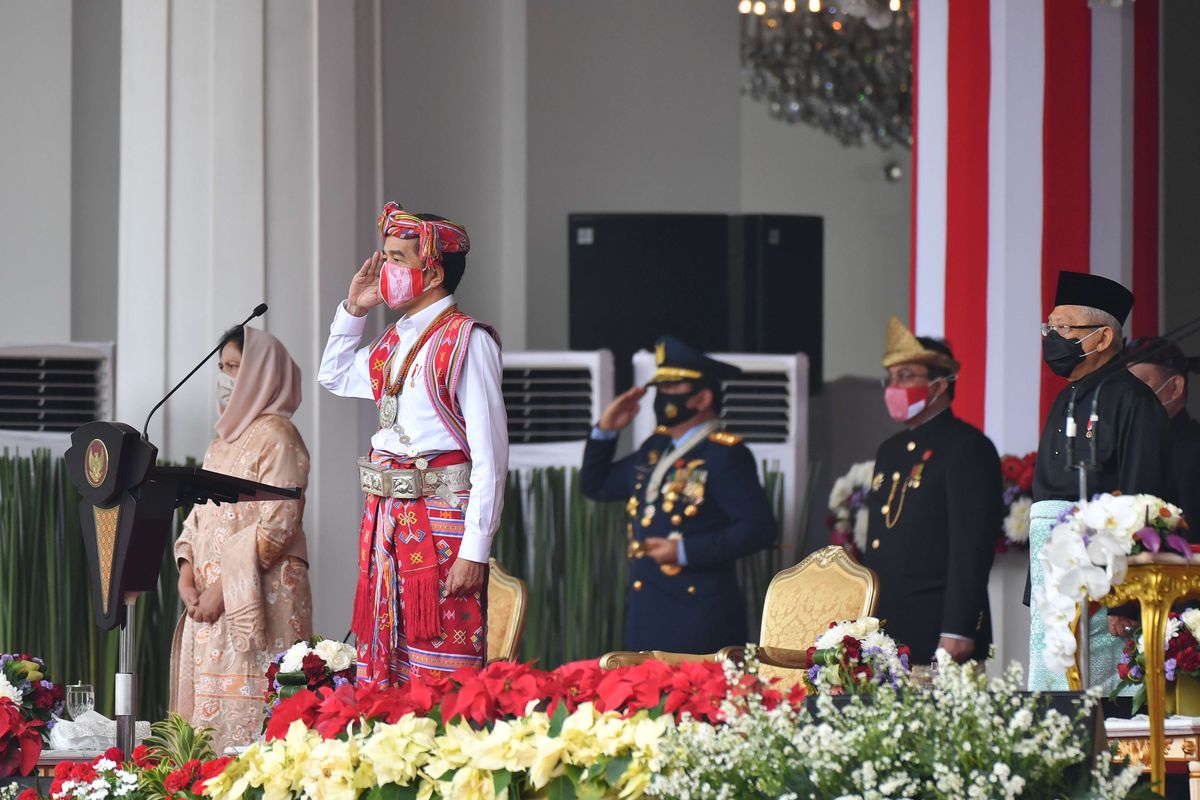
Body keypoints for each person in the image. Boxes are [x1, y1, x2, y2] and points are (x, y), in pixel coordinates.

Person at [318, 202, 507, 686]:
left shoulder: (468, 340)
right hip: (387, 517)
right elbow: (334, 376)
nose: (385, 271)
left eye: (397, 259)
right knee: (386, 656)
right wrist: (354, 310)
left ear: (434, 270)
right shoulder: (391, 341)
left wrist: (476, 550)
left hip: (442, 518)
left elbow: (491, 458)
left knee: (438, 660)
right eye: (384, 258)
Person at [580, 336, 776, 654]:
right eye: (662, 389)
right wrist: (606, 430)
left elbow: (759, 529)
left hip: (698, 618)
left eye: (673, 389)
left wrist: (685, 550)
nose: (663, 398)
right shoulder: (655, 449)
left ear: (702, 398)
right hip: (647, 614)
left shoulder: (725, 455)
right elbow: (596, 485)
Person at [169, 326, 312, 750]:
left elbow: (278, 524)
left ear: (261, 374)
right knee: (207, 740)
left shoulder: (279, 436)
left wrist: (222, 591)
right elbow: (199, 516)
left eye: (235, 367)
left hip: (259, 601)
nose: (226, 378)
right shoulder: (220, 444)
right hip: (209, 609)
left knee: (257, 739)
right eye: (222, 368)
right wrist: (186, 573)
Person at [1027, 271, 1169, 692]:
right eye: (1049, 327)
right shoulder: (1066, 397)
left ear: (1103, 337)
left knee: (1096, 694)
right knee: (1051, 696)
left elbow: (1143, 499)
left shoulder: (1133, 400)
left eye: (1064, 327)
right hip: (1051, 581)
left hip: (1101, 581)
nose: (1052, 336)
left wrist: (1124, 599)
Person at [859, 317, 1002, 665]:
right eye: (890, 378)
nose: (894, 387)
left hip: (939, 627)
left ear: (939, 385)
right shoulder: (890, 450)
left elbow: (971, 547)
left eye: (906, 376)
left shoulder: (967, 447)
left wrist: (959, 627)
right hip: (889, 626)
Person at [1127, 337, 1200, 524]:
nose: (1128, 397)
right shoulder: (1130, 446)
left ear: (1175, 387)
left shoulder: (1194, 449)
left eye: (1139, 384)